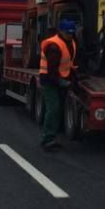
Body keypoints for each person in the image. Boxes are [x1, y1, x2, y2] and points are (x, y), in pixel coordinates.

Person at [39, 19, 77, 151]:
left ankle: (52, 137)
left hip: (61, 78)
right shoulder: (54, 46)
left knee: (59, 108)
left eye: (72, 33)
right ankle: (47, 139)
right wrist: (61, 82)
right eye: (68, 33)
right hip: (50, 80)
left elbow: (68, 62)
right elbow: (52, 70)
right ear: (61, 31)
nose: (70, 35)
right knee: (53, 108)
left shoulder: (70, 42)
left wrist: (74, 76)